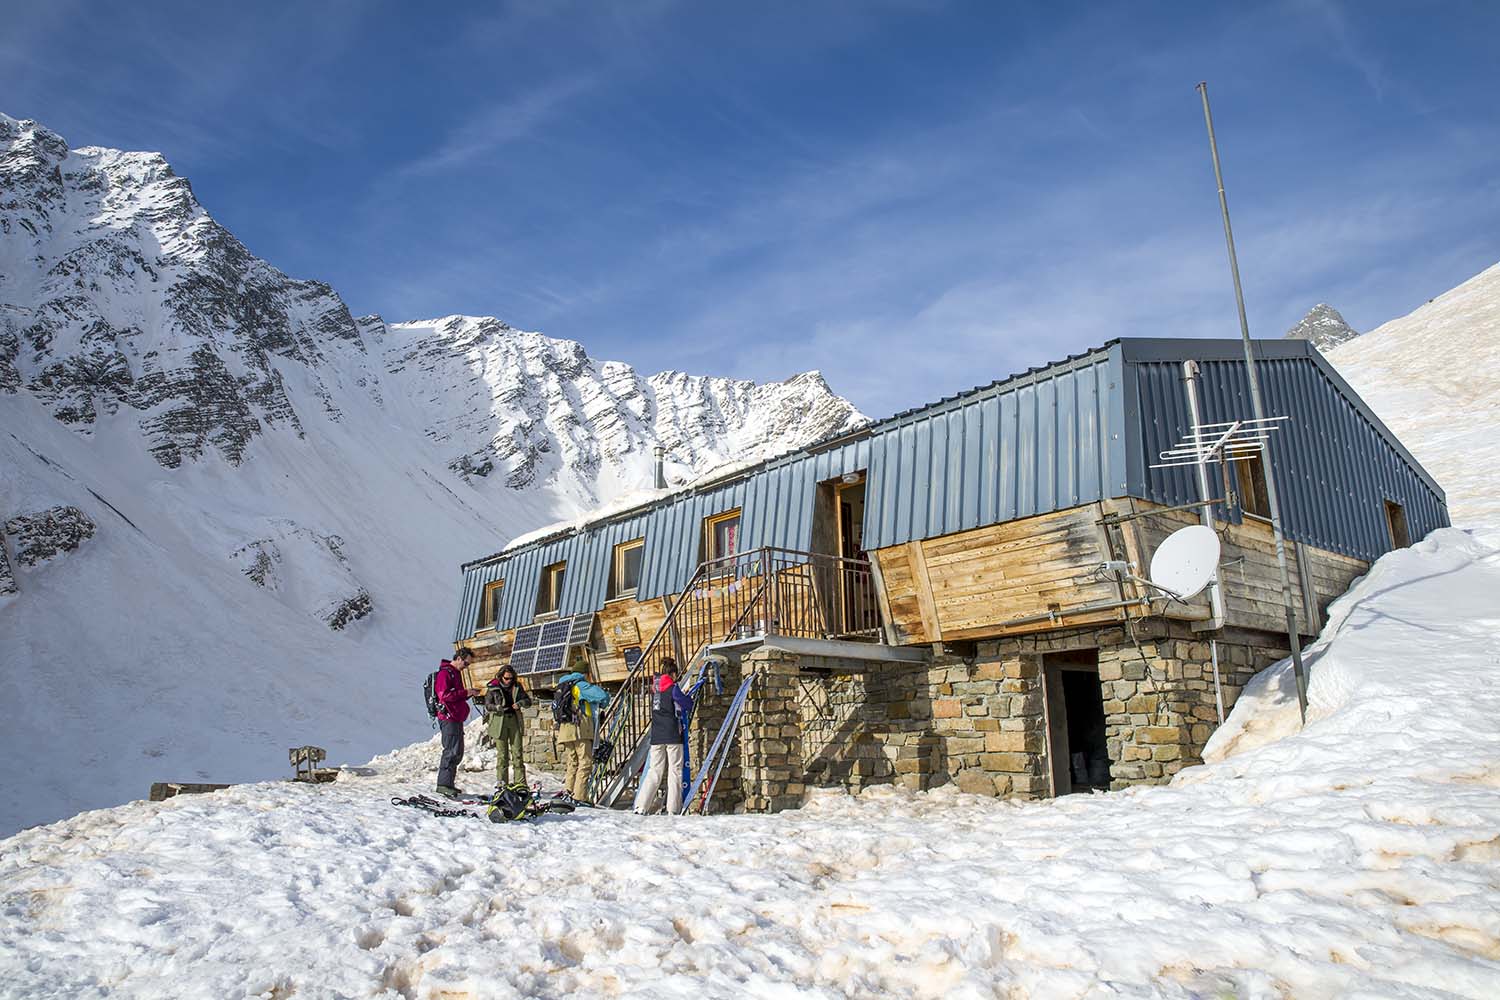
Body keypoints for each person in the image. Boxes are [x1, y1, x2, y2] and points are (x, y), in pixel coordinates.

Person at [633, 657, 693, 815]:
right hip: (672, 734)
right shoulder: (673, 688)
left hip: (656, 736)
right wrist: (689, 699)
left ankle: (641, 805)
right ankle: (673, 808)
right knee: (675, 771)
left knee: (654, 771)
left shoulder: (655, 690)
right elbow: (686, 704)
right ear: (672, 674)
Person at [554, 671, 610, 804]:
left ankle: (568, 791)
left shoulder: (562, 686)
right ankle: (580, 796)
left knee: (572, 762)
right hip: (580, 728)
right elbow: (602, 696)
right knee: (585, 762)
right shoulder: (581, 685)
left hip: (565, 729)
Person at [434, 648, 477, 798]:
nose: (466, 667)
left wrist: (468, 693)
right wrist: (465, 692)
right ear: (458, 658)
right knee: (451, 750)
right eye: (465, 663)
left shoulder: (455, 673)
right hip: (448, 717)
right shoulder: (445, 673)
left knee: (457, 751)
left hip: (455, 717)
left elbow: (455, 696)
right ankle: (443, 785)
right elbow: (444, 695)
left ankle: (448, 784)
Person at [485, 664, 532, 790]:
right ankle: (502, 783)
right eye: (506, 678)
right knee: (502, 755)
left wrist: (520, 703)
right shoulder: (493, 687)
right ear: (501, 677)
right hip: (499, 722)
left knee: (517, 753)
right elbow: (487, 705)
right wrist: (496, 707)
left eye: (511, 678)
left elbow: (528, 701)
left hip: (514, 720)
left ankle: (520, 784)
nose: (508, 681)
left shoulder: (517, 686)